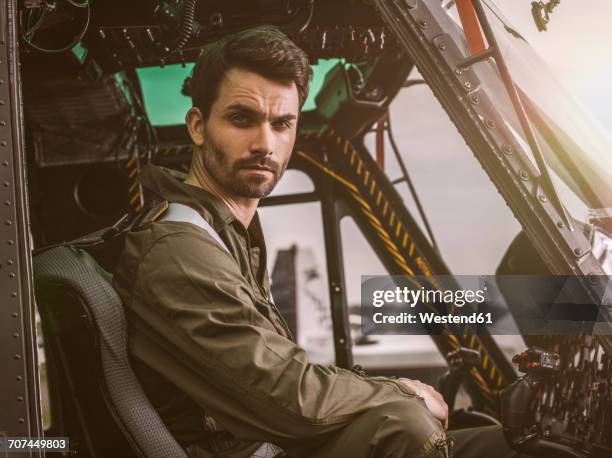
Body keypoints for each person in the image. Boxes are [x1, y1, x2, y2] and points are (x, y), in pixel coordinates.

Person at [113, 25, 523, 457]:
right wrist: (399, 392)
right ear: (198, 126)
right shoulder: (179, 250)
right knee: (401, 424)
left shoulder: (224, 234)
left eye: (281, 123)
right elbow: (289, 399)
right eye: (241, 119)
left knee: (511, 444)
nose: (264, 144)